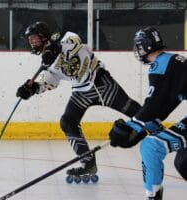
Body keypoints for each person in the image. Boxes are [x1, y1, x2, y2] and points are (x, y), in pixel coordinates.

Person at [16, 21, 141, 181]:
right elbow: (50, 80)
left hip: (101, 83)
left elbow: (74, 41)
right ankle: (88, 163)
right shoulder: (46, 62)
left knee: (137, 113)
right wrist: (32, 88)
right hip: (81, 92)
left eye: (33, 38)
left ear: (43, 36)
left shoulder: (63, 39)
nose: (31, 42)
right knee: (67, 122)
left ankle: (165, 134)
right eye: (29, 39)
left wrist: (56, 48)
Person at [109, 26, 187, 200]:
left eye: (139, 46)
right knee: (183, 161)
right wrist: (145, 125)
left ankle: (152, 196)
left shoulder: (160, 63)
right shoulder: (172, 61)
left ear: (146, 46)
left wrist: (133, 125)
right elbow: (166, 103)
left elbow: (155, 102)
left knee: (152, 147)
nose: (137, 50)